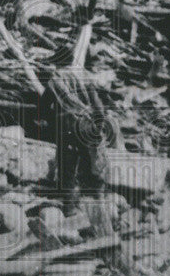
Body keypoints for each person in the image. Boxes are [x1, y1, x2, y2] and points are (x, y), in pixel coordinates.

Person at [40, 65, 116, 228]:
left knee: (68, 170)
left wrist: (51, 122)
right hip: (87, 125)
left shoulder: (56, 81)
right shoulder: (84, 76)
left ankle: (70, 212)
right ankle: (99, 206)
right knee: (93, 164)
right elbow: (97, 105)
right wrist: (98, 123)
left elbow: (43, 108)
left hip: (66, 128)